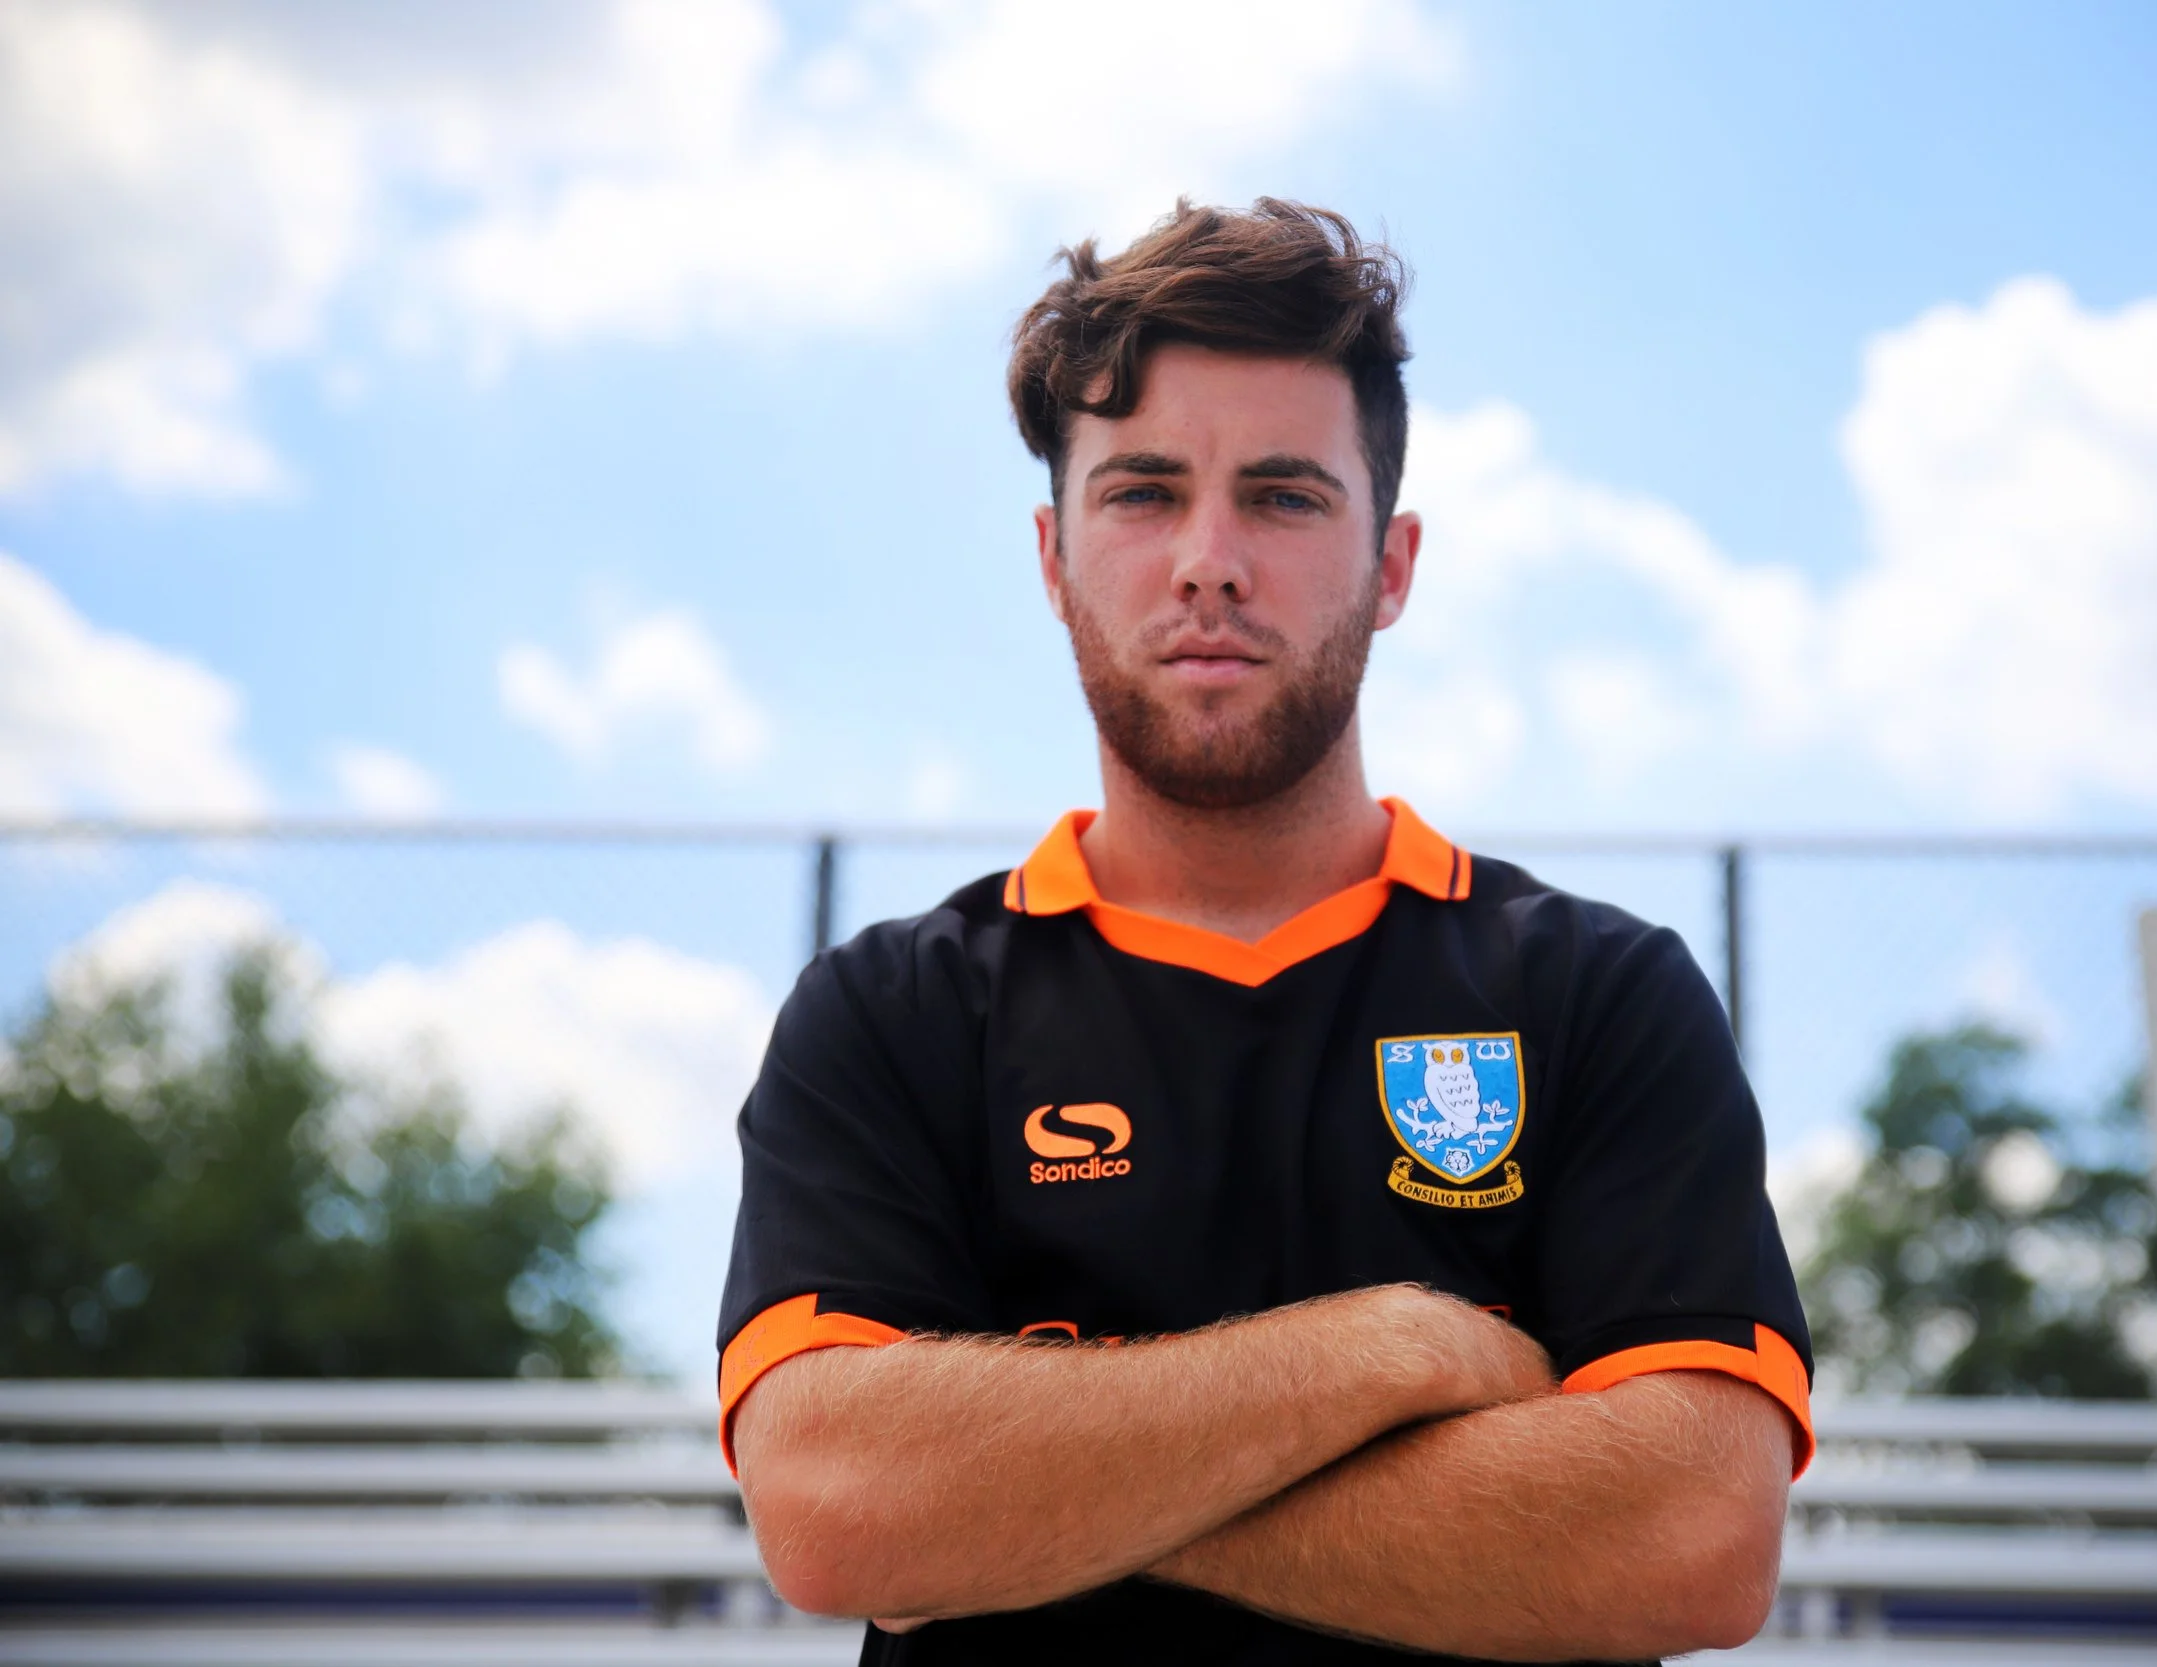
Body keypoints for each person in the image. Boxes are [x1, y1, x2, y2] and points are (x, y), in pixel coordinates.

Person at [717, 199, 1812, 1664]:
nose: (1210, 560)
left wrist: (1031, 1500)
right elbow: (843, 1507)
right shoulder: (895, 1011)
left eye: (1287, 496)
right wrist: (1397, 1348)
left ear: (1395, 562)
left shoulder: (1599, 992)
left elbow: (1690, 1537)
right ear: (1053, 559)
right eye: (1144, 492)